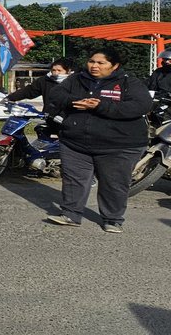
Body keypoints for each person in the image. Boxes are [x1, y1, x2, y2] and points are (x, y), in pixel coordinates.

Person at [45, 48, 152, 233]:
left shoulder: (129, 82)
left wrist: (101, 105)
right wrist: (76, 101)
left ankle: (113, 219)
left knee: (114, 182)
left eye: (101, 63)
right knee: (73, 180)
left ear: (115, 65)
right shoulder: (76, 78)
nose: (94, 66)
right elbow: (55, 95)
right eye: (91, 61)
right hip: (75, 142)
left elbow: (141, 105)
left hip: (119, 145)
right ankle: (70, 214)